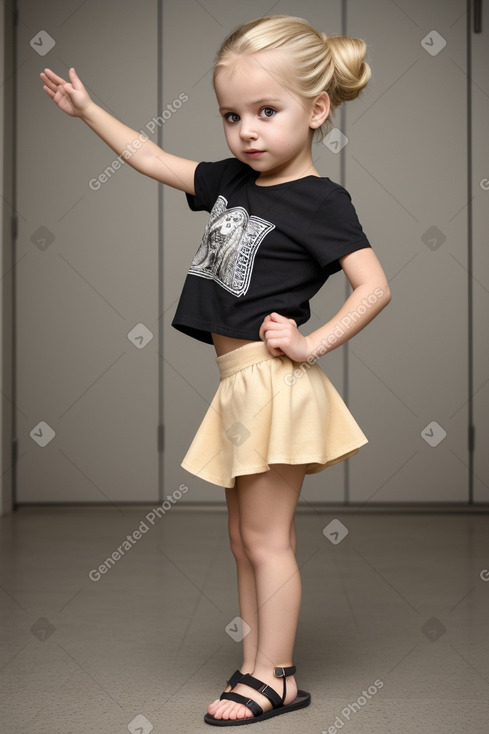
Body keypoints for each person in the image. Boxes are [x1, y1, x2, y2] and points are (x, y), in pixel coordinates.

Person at [40, 14, 391, 727]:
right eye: (232, 116)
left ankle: (277, 676)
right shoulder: (234, 179)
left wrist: (310, 343)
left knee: (267, 540)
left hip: (272, 383)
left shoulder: (321, 201)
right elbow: (148, 156)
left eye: (267, 111)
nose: (247, 131)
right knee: (242, 540)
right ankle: (255, 662)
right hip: (239, 386)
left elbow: (374, 286)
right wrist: (87, 112)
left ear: (316, 109)